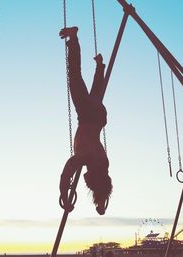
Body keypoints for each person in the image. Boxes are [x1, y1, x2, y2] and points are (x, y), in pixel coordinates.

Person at [59, 27, 112, 215]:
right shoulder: (88, 157)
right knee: (74, 75)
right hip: (88, 116)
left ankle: (100, 65)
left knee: (96, 95)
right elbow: (66, 173)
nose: (84, 177)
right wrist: (64, 196)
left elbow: (103, 187)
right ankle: (73, 38)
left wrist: (101, 204)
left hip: (98, 117)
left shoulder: (104, 165)